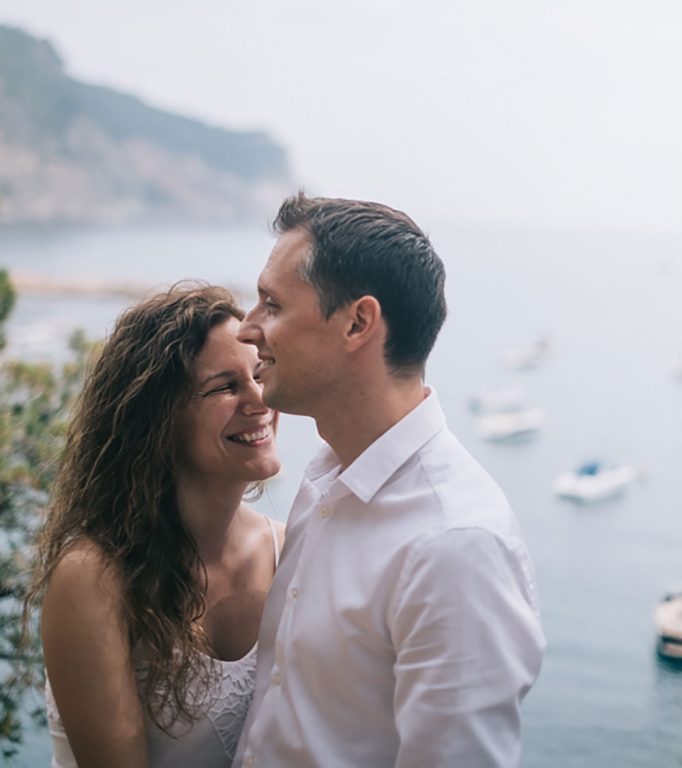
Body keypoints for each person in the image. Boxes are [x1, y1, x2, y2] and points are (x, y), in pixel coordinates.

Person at [234, 193, 545, 768]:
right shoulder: (327, 476)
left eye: (271, 305)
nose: (248, 328)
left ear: (357, 323)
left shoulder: (455, 544)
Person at [24, 283, 284, 768]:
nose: (259, 400)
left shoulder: (285, 549)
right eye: (226, 387)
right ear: (159, 419)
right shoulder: (95, 576)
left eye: (259, 374)